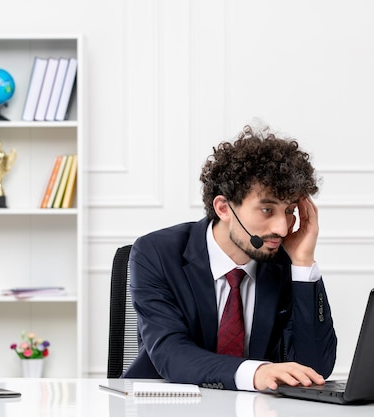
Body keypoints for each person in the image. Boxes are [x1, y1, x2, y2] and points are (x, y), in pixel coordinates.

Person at [123, 120, 337, 391]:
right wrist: (255, 372)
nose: (282, 228)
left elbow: (314, 370)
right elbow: (170, 352)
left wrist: (303, 265)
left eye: (289, 210)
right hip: (168, 404)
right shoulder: (157, 253)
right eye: (267, 210)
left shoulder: (284, 262)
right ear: (224, 208)